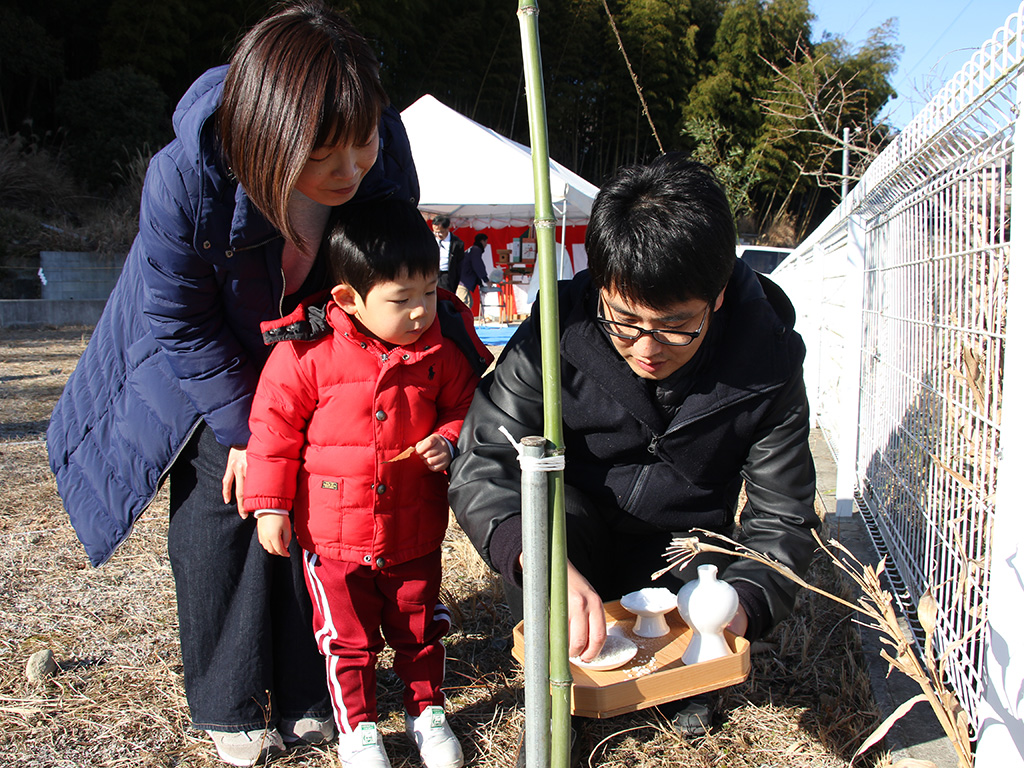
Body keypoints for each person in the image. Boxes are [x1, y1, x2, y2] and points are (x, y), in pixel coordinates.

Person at [45, 3, 419, 765]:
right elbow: (179, 320)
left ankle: (312, 685)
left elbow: (383, 269)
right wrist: (254, 429)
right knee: (229, 496)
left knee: (319, 498)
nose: (352, 171)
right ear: (268, 141)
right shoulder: (187, 176)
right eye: (325, 157)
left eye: (364, 143)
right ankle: (230, 699)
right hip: (213, 350)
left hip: (314, 350)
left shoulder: (384, 154)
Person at [448, 155, 819, 735]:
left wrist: (739, 607)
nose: (648, 348)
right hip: (576, 541)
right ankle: (557, 676)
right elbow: (485, 459)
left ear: (718, 296)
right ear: (599, 285)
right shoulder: (556, 334)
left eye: (676, 326)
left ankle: (689, 685)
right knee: (551, 518)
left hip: (686, 556)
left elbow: (784, 515)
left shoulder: (767, 363)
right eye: (624, 320)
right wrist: (539, 559)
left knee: (685, 695)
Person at [245, 200, 490, 768]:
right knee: (346, 641)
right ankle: (358, 729)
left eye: (429, 294)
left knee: (419, 629)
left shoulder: (441, 355)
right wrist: (270, 507)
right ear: (348, 300)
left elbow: (466, 407)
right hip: (332, 538)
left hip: (415, 530)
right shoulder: (305, 354)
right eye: (401, 300)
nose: (419, 313)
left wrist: (449, 439)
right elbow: (273, 430)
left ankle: (427, 712)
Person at [457, 232, 492, 310]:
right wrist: (485, 280)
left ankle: (465, 321)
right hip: (463, 281)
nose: (486, 244)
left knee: (469, 303)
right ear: (482, 241)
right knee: (464, 304)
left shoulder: (472, 250)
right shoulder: (476, 250)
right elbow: (478, 266)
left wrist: (481, 283)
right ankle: (462, 321)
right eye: (486, 242)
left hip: (463, 279)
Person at [431, 215, 465, 294]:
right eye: (435, 232)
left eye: (441, 232)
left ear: (447, 228)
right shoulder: (430, 240)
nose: (438, 235)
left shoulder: (457, 243)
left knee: (445, 298)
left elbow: (460, 264)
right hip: (432, 274)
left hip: (446, 276)